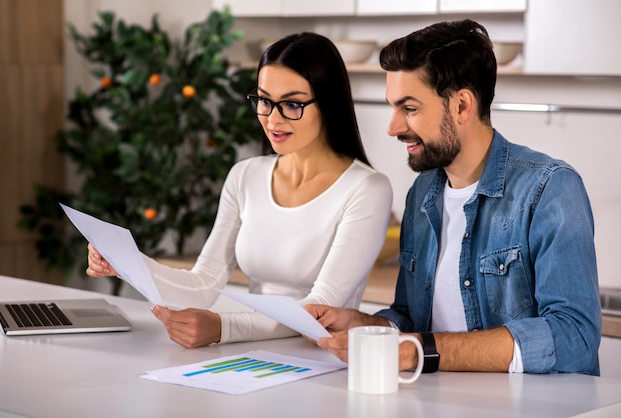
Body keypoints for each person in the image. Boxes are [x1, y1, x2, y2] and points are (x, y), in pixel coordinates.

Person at [306, 19, 601, 375]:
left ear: (462, 105)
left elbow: (574, 337)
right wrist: (368, 327)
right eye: (393, 107)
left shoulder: (549, 189)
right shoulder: (423, 193)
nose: (393, 127)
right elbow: (413, 320)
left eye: (409, 108)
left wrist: (420, 351)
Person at [86, 32, 393, 348]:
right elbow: (204, 282)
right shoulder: (245, 176)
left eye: (291, 103)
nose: (273, 119)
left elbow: (320, 308)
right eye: (264, 100)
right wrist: (127, 263)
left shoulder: (367, 189)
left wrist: (224, 328)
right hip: (254, 355)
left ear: (328, 103)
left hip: (323, 360)